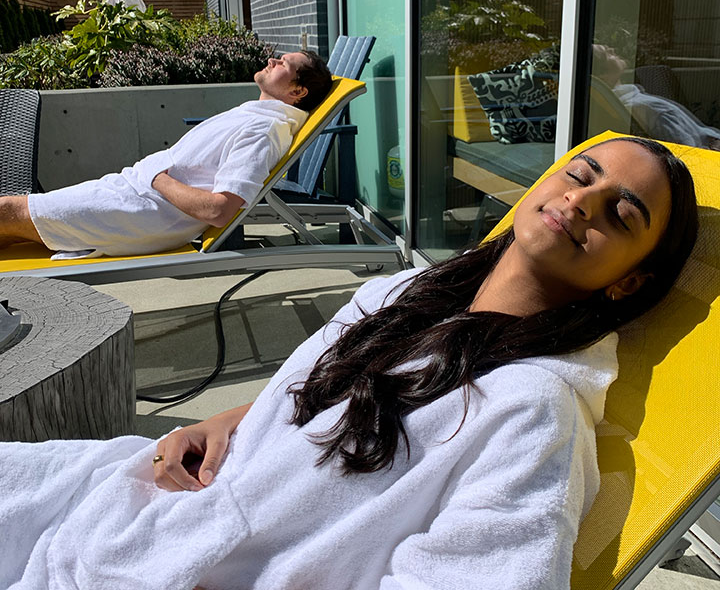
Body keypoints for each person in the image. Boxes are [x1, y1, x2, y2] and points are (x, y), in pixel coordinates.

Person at [0, 137, 698, 590]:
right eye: (579, 175)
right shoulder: (402, 294)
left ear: (627, 281)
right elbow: (326, 401)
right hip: (168, 503)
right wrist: (233, 417)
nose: (580, 202)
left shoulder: (533, 408)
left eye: (620, 214)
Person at [0, 50, 332, 258]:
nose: (273, 59)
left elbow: (220, 211)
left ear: (297, 91)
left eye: (284, 63)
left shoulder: (262, 132)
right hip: (131, 193)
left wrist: (158, 178)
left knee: (8, 211)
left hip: (138, 208)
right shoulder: (259, 117)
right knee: (12, 231)